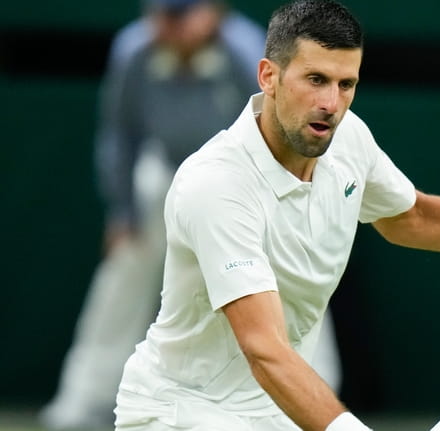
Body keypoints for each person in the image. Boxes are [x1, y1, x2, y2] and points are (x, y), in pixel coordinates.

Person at [113, 1, 440, 430]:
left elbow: (405, 216)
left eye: (347, 84)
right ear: (269, 76)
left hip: (270, 411)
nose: (332, 103)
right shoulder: (217, 184)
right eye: (315, 79)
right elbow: (265, 348)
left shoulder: (348, 139)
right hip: (181, 412)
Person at [41, 0, 334, 429]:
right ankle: (82, 403)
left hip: (251, 177)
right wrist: (123, 211)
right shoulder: (134, 52)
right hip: (166, 174)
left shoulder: (245, 53)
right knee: (125, 270)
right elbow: (120, 134)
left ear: (214, 12)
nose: (170, 24)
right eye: (162, 13)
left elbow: (282, 131)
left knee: (288, 276)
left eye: (183, 12)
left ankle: (315, 403)